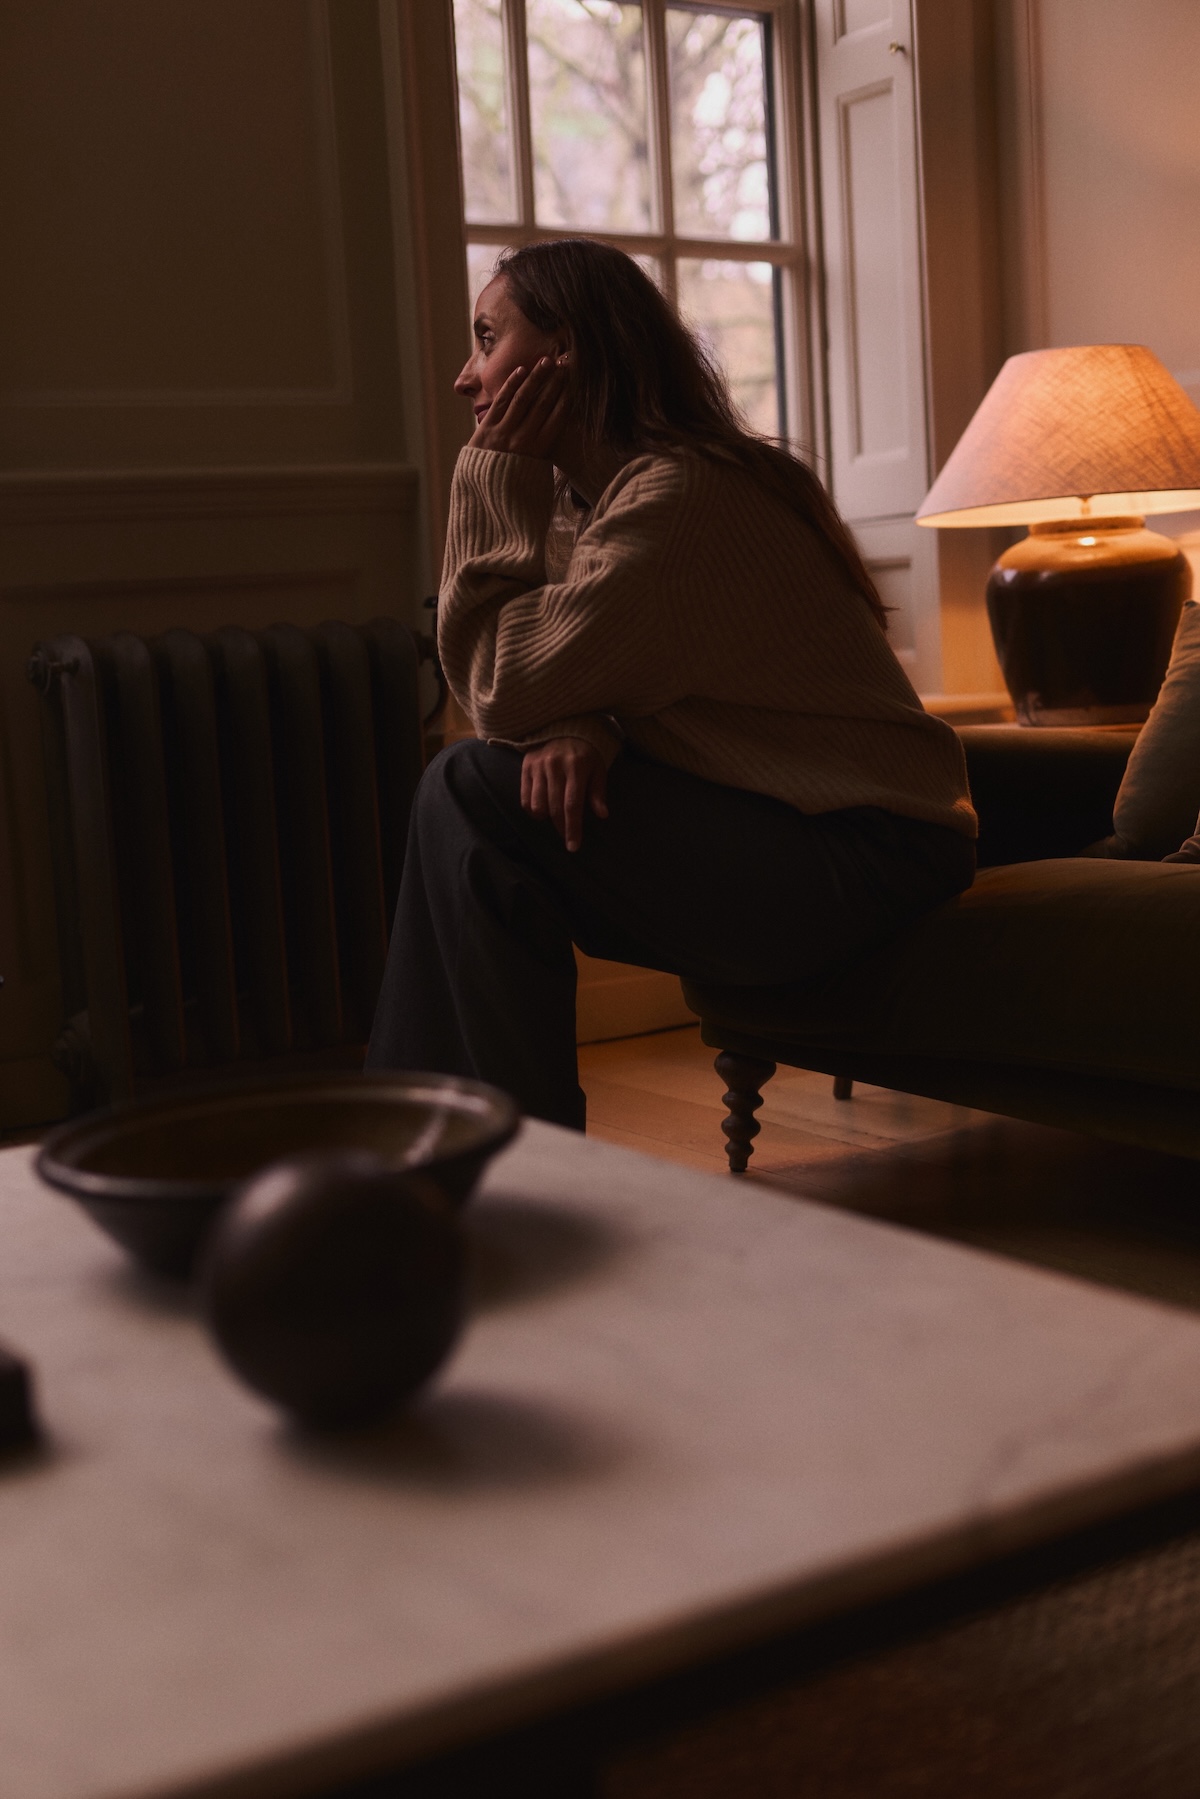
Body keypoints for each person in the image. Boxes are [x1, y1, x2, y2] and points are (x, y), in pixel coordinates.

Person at [366, 239, 976, 1128]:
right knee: (471, 804)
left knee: (466, 788)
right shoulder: (608, 501)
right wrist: (587, 724)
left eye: (487, 337)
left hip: (866, 860)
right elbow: (596, 665)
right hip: (809, 837)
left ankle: (472, 1149)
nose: (467, 376)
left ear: (564, 355)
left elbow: (498, 680)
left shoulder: (686, 497)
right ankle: (445, 1138)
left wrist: (492, 474)